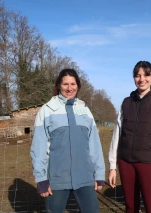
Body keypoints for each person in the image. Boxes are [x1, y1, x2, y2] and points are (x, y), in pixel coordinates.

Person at [30, 68, 105, 213]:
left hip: (85, 177)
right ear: (59, 85)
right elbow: (38, 148)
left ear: (78, 86)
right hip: (57, 179)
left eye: (73, 84)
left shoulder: (85, 110)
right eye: (65, 84)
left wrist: (99, 173)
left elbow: (94, 145)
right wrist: (41, 179)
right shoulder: (47, 111)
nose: (69, 88)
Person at [108, 61, 151, 213]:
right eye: (137, 75)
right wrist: (113, 166)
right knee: (131, 207)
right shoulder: (126, 103)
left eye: (146, 75)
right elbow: (117, 135)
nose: (142, 79)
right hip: (125, 162)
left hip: (149, 163)